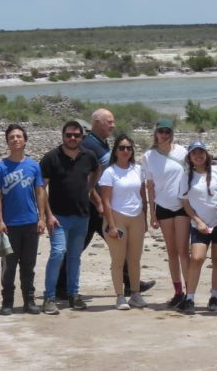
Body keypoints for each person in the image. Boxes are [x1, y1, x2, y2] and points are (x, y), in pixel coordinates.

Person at [69, 108, 155, 299]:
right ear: (97, 122)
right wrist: (99, 203)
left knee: (114, 246)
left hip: (105, 208)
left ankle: (132, 284)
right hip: (95, 208)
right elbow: (87, 178)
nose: (113, 125)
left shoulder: (101, 143)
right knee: (79, 245)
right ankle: (61, 286)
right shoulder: (89, 145)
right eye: (109, 122)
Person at [40, 120, 100, 314]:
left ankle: (74, 295)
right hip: (58, 217)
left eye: (76, 135)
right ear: (63, 136)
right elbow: (41, 189)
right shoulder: (51, 158)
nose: (72, 138)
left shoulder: (88, 156)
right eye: (69, 135)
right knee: (57, 254)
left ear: (82, 137)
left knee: (74, 257)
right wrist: (47, 215)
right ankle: (49, 297)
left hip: (82, 215)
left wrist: (90, 190)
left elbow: (96, 170)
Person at [0, 124, 46, 315]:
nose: (15, 139)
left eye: (19, 136)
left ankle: (29, 301)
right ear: (7, 141)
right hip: (10, 226)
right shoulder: (0, 167)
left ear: (25, 140)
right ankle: (7, 301)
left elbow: (40, 191)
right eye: (12, 137)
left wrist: (42, 218)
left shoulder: (33, 166)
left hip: (31, 223)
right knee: (8, 267)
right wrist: (0, 220)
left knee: (28, 266)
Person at [142, 119, 190, 308]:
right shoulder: (148, 156)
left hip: (181, 206)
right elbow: (150, 186)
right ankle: (178, 292)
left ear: (171, 134)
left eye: (167, 132)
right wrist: (152, 214)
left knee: (183, 251)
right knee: (171, 252)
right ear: (155, 133)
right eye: (161, 131)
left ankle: (189, 292)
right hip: (162, 207)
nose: (164, 135)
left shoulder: (182, 152)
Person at [177, 141, 217, 315]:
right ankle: (190, 297)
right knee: (197, 258)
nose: (198, 156)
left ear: (207, 154)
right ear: (190, 157)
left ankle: (214, 297)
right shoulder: (186, 176)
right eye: (194, 153)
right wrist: (197, 221)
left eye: (201, 152)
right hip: (199, 224)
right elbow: (185, 202)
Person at [99, 134, 149, 310]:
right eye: (122, 148)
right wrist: (111, 225)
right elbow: (105, 201)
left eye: (129, 148)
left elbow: (143, 195)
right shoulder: (109, 172)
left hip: (137, 218)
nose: (125, 151)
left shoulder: (138, 169)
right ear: (116, 150)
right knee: (118, 260)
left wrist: (146, 217)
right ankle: (120, 296)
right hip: (116, 218)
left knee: (135, 259)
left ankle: (135, 294)